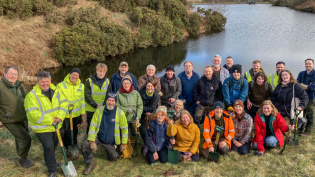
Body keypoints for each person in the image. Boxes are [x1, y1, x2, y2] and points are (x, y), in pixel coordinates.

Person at [25, 71, 68, 177]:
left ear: (50, 80)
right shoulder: (31, 95)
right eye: (42, 82)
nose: (45, 84)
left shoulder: (56, 90)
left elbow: (64, 103)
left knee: (53, 146)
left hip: (56, 126)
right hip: (43, 128)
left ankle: (50, 161)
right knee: (48, 147)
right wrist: (51, 120)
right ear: (37, 81)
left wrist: (60, 116)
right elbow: (33, 114)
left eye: (47, 81)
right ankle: (52, 170)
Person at [81, 93, 128, 175]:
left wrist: (124, 143)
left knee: (113, 158)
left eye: (113, 100)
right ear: (106, 101)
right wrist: (92, 141)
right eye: (109, 100)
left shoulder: (120, 113)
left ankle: (113, 149)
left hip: (110, 141)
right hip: (99, 137)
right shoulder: (99, 111)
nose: (110, 102)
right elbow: (92, 126)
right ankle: (90, 162)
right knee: (85, 145)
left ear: (115, 102)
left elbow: (124, 129)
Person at [0, 66, 33, 168]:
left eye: (15, 74)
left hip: (22, 117)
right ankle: (22, 159)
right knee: (26, 139)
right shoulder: (1, 87)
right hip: (10, 119)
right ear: (5, 74)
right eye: (11, 73)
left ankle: (20, 155)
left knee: (20, 138)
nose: (13, 76)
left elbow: (25, 98)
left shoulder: (19, 85)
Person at [57, 68, 85, 153]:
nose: (75, 76)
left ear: (79, 76)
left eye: (77, 75)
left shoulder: (81, 86)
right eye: (73, 74)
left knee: (75, 130)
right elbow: (57, 99)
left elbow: (82, 100)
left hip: (76, 113)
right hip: (65, 113)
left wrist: (82, 112)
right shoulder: (61, 85)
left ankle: (74, 144)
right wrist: (65, 105)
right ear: (70, 74)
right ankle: (67, 146)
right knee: (67, 131)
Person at [116, 75, 143, 156]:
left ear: (131, 83)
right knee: (124, 133)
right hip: (123, 118)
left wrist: (138, 117)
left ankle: (133, 146)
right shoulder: (118, 93)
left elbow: (140, 106)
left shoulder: (136, 93)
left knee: (134, 133)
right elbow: (117, 106)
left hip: (133, 118)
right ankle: (126, 147)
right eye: (124, 83)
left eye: (128, 83)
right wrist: (125, 110)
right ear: (122, 84)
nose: (126, 84)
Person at [85, 63, 112, 133]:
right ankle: (89, 141)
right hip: (91, 108)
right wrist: (95, 105)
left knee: (101, 124)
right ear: (96, 71)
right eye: (100, 71)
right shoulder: (89, 81)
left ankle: (99, 140)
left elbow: (108, 95)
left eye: (103, 72)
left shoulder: (107, 81)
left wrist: (102, 105)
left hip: (102, 108)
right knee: (91, 125)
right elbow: (87, 96)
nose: (102, 73)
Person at [297, 58, 315, 136]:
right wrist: (307, 86)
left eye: (309, 64)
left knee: (309, 114)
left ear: (313, 64)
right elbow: (297, 84)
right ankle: (301, 128)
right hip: (302, 97)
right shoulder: (301, 73)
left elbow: (312, 88)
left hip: (311, 97)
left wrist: (304, 85)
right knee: (301, 114)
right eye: (306, 63)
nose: (308, 65)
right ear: (305, 64)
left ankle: (308, 131)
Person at [139, 78, 159, 143]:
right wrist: (145, 112)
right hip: (142, 113)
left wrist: (150, 112)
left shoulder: (156, 95)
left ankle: (153, 143)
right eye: (148, 86)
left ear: (154, 87)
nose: (149, 88)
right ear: (145, 86)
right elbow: (139, 105)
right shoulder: (140, 93)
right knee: (143, 130)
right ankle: (146, 144)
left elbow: (153, 107)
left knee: (153, 130)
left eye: (151, 86)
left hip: (152, 113)